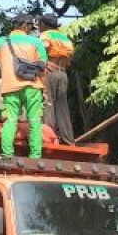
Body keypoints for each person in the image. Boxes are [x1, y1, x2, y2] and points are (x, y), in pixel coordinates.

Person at [0, 15, 48, 158]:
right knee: (34, 122)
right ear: (25, 26)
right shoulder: (36, 42)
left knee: (10, 121)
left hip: (11, 89)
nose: (31, 31)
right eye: (30, 28)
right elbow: (42, 68)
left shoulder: (0, 42)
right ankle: (35, 156)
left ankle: (7, 155)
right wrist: (44, 90)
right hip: (33, 88)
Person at [36, 14, 77, 145]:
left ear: (44, 24)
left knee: (47, 104)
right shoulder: (65, 38)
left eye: (39, 24)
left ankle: (49, 137)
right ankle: (68, 139)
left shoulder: (45, 36)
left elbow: (39, 51)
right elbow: (69, 60)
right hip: (63, 74)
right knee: (62, 106)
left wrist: (45, 63)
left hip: (49, 73)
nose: (38, 27)